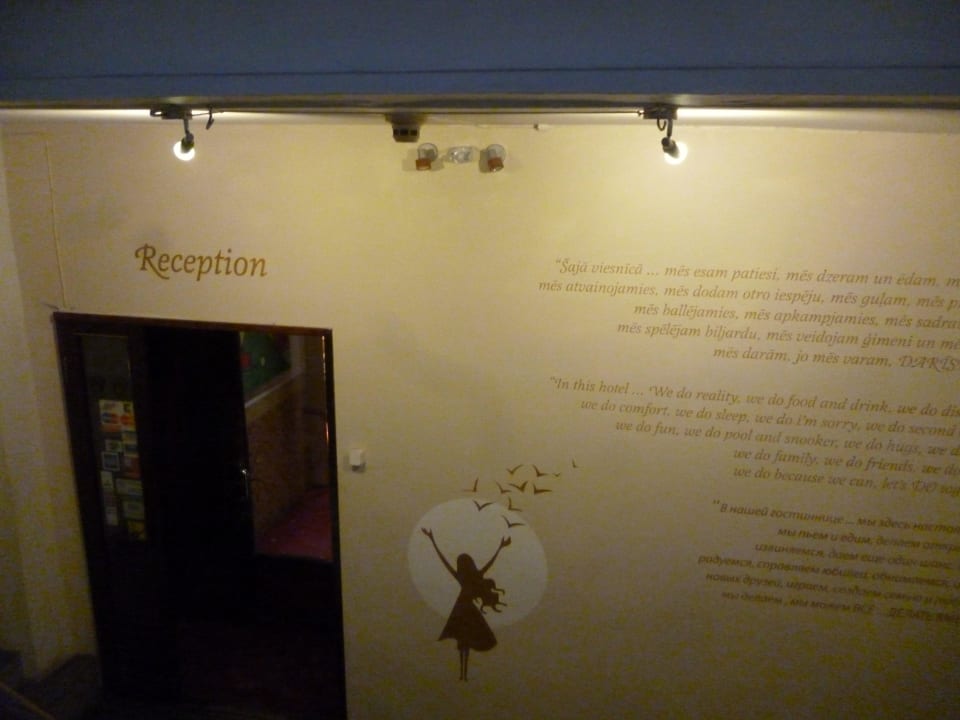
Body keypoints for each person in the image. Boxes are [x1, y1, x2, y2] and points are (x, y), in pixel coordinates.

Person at [421, 527, 511, 681]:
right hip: (464, 609)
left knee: (464, 640)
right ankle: (463, 674)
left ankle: (463, 674)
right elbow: (444, 560)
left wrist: (500, 547)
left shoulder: (465, 577)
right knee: (464, 641)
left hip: (464, 608)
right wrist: (432, 540)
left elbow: (445, 561)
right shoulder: (466, 577)